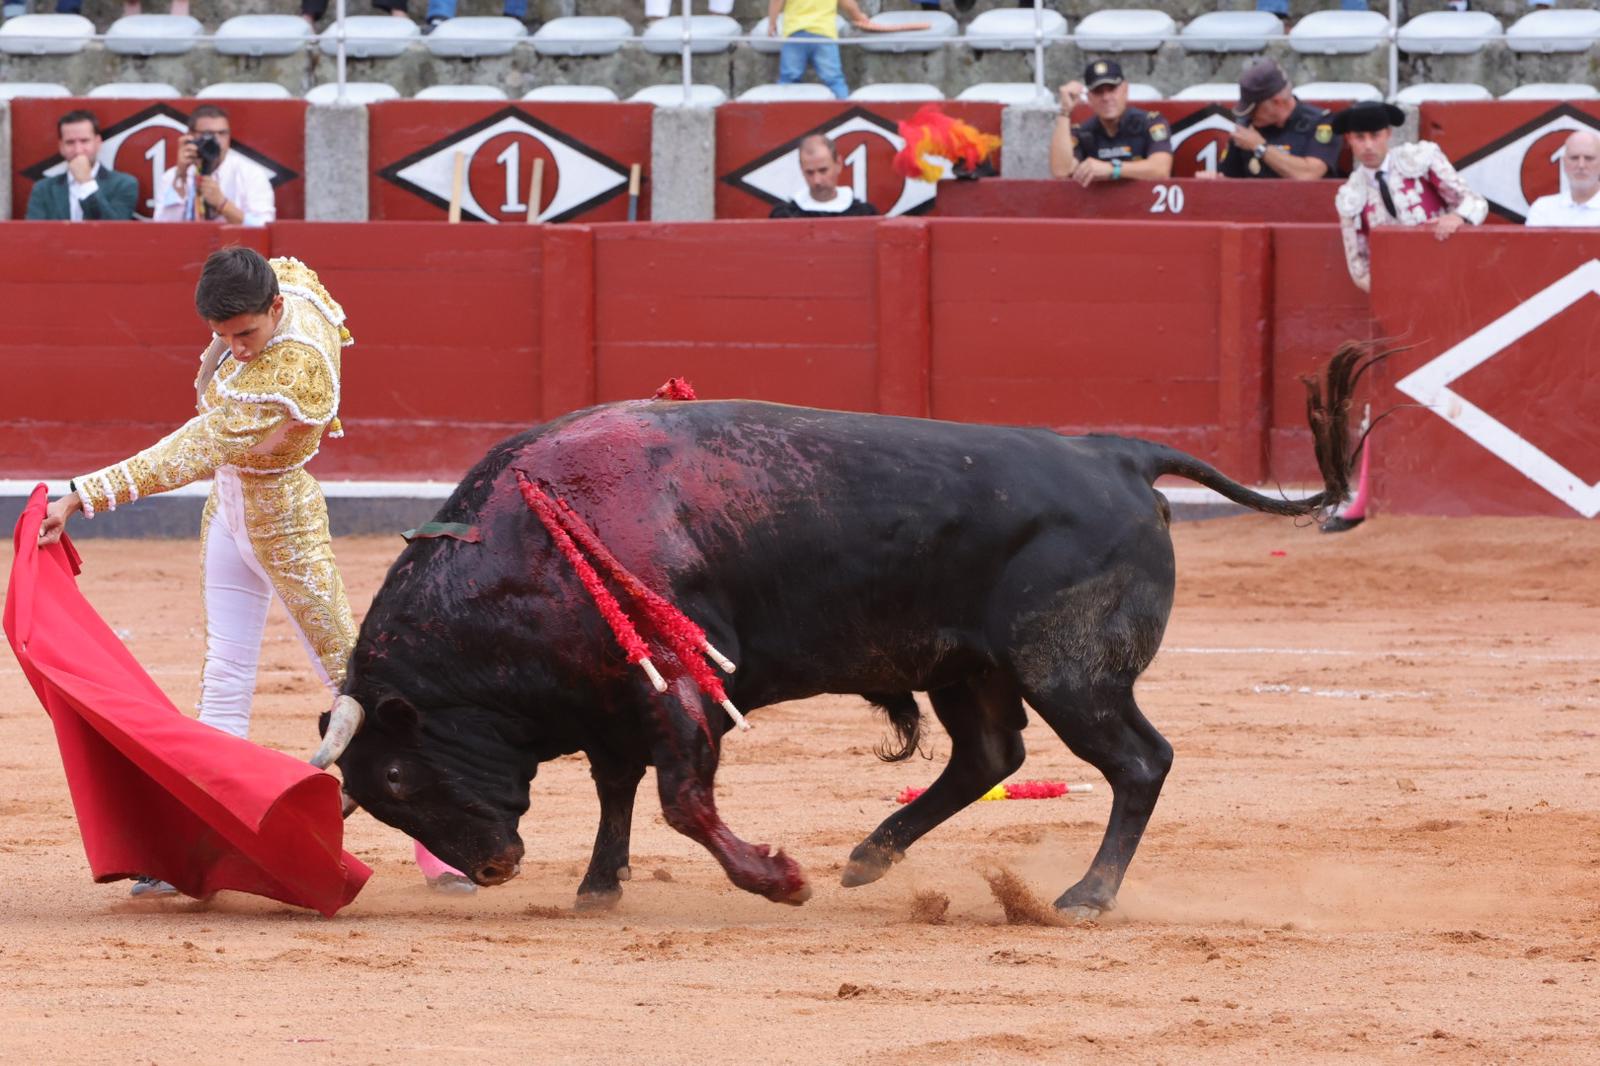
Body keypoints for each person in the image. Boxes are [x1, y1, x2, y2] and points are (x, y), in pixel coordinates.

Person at [36, 248, 474, 896]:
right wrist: (221, 346)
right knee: (225, 673)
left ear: (273, 311)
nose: (236, 349)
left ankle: (442, 838)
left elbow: (191, 448)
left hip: (286, 522)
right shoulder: (284, 286)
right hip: (232, 507)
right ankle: (200, 840)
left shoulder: (290, 373)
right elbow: (279, 272)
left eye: (245, 334)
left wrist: (82, 492)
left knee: (354, 677)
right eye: (222, 336)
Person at [1332, 99, 1487, 295]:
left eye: (1375, 135)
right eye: (1360, 137)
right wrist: (1395, 294)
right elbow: (1359, 270)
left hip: (1449, 275)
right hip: (1397, 287)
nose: (1368, 145)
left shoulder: (1420, 159)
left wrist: (1458, 217)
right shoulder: (1350, 195)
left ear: (1388, 133)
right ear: (1349, 139)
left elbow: (1476, 202)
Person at [1204, 58, 1341, 181]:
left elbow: (1309, 174)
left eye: (1255, 109)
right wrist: (1213, 179)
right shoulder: (1247, 129)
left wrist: (1260, 147)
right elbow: (1228, 179)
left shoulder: (1320, 122)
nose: (1249, 116)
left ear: (1278, 102)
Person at [767, 0, 928, 100]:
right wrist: (859, 17)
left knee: (789, 78)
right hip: (824, 35)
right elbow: (848, 4)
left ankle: (781, 114)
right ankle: (844, 107)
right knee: (834, 79)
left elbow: (776, 1)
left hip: (795, 34)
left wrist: (772, 23)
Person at [1050, 60, 1174, 187]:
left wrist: (1112, 169)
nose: (1106, 97)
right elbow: (1061, 172)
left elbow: (1161, 170)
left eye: (1112, 89)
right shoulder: (1084, 132)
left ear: (1125, 90)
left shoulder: (1150, 122)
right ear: (1089, 97)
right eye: (1098, 91)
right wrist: (1065, 112)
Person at [151, 106, 276, 227]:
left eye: (222, 133)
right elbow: (161, 231)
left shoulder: (250, 174)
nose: (216, 141)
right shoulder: (171, 177)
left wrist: (223, 205)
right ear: (190, 135)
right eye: (208, 134)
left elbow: (264, 227)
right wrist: (181, 177)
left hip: (233, 246)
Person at [24, 110, 138, 222]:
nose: (78, 150)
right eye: (70, 142)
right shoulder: (43, 189)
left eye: (84, 141)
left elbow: (114, 231)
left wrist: (86, 183)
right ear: (61, 147)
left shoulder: (124, 184)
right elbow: (35, 234)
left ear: (97, 142)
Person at [769, 134, 878, 218]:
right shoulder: (784, 216)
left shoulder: (864, 213)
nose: (817, 181)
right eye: (809, 172)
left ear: (838, 164)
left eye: (823, 170)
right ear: (801, 169)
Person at [1524, 129, 1600, 227]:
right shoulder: (1542, 209)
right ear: (1564, 163)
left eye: (1589, 158)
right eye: (1574, 158)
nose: (1581, 165)